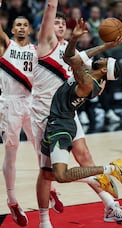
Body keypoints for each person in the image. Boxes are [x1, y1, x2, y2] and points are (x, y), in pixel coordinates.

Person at [31, 1, 122, 228]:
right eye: (54, 22)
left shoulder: (70, 50)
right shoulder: (45, 46)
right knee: (47, 173)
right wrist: (106, 47)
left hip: (64, 114)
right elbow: (83, 57)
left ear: (65, 28)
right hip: (43, 114)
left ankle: (110, 205)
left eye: (60, 22)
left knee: (82, 158)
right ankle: (44, 220)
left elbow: (78, 57)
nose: (57, 25)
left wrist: (86, 44)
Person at [0, 15, 37, 226]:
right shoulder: (6, 45)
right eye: (18, 25)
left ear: (29, 30)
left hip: (31, 101)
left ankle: (50, 189)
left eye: (25, 25)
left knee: (42, 148)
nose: (21, 28)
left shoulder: (35, 51)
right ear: (12, 30)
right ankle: (12, 199)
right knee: (11, 152)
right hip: (10, 103)